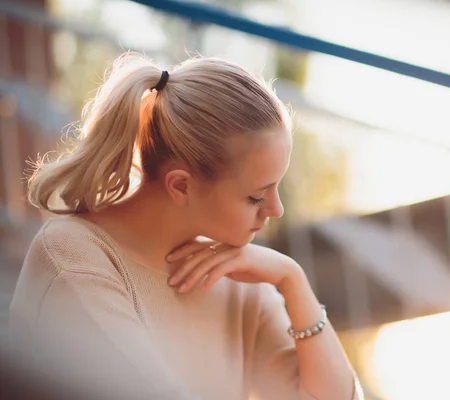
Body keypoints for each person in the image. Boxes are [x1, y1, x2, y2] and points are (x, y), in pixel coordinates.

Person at [9, 53, 363, 400]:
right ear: (181, 186)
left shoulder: (236, 277)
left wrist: (292, 279)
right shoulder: (75, 256)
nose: (277, 209)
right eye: (256, 197)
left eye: (276, 188)